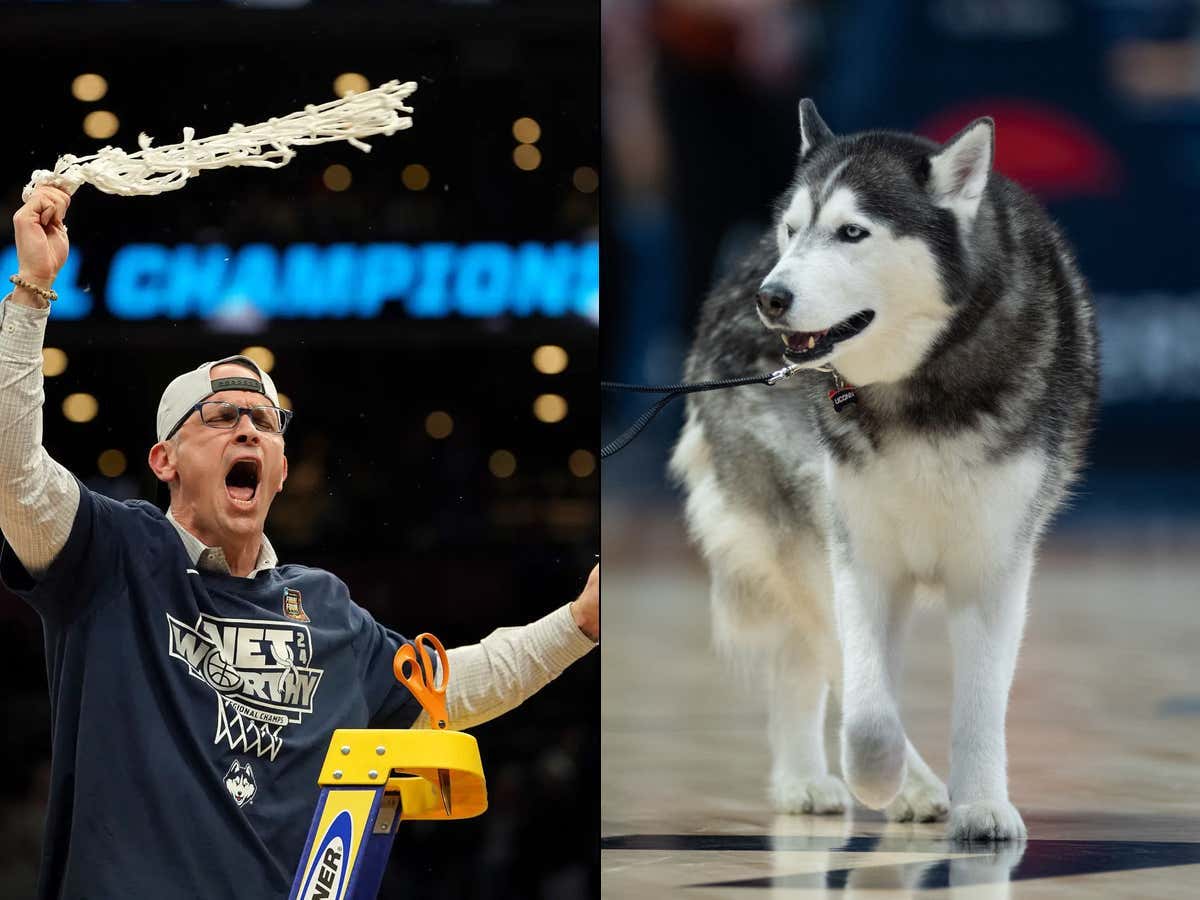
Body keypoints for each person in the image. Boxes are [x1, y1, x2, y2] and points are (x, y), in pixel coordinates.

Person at [0, 185, 600, 899]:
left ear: (281, 470)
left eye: (264, 421)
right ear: (165, 461)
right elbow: (17, 478)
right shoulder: (110, 550)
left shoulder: (325, 608)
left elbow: (454, 687)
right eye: (220, 417)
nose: (249, 429)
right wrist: (32, 292)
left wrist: (579, 624)